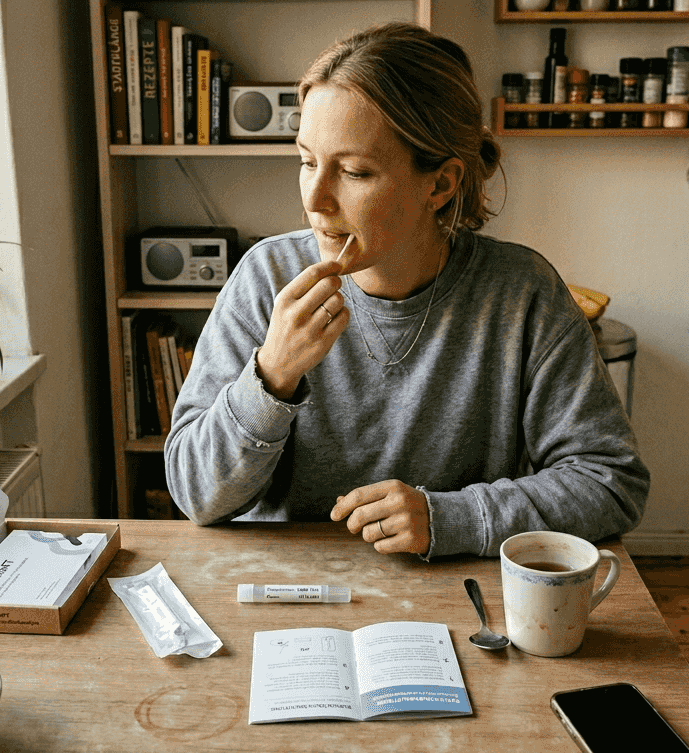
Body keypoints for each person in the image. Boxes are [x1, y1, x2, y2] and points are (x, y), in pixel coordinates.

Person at [164, 22, 648, 558]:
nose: (316, 199)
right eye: (305, 161)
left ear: (439, 185)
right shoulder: (265, 276)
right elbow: (195, 495)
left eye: (353, 171)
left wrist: (451, 518)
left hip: (458, 606)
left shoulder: (522, 294)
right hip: (287, 600)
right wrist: (271, 377)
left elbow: (611, 481)